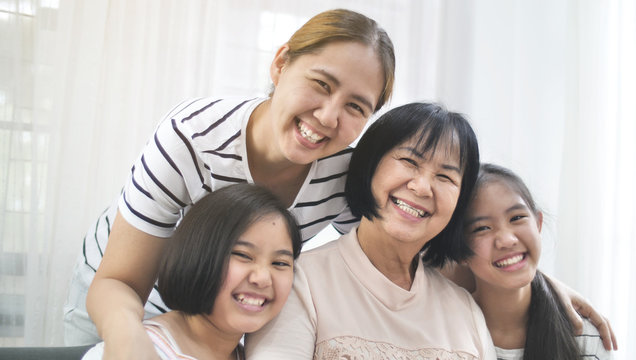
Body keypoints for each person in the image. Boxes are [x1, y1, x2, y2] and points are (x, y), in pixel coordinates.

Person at [63, 8, 395, 356]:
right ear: (281, 64)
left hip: (224, 322)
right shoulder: (191, 137)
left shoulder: (344, 177)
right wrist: (130, 342)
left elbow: (384, 263)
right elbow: (118, 282)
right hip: (125, 304)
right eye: (321, 84)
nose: (328, 116)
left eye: (356, 107)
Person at [245, 102, 497, 359]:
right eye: (410, 161)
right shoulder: (299, 282)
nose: (422, 187)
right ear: (370, 163)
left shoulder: (464, 309)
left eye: (445, 177)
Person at [82, 183, 303, 360]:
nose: (262, 278)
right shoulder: (131, 352)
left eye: (280, 263)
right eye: (243, 256)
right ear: (198, 255)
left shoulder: (258, 354)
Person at [462, 163, 612, 359]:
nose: (507, 240)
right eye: (482, 228)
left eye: (517, 217)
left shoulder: (584, 337)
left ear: (538, 223)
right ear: (459, 251)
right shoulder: (440, 335)